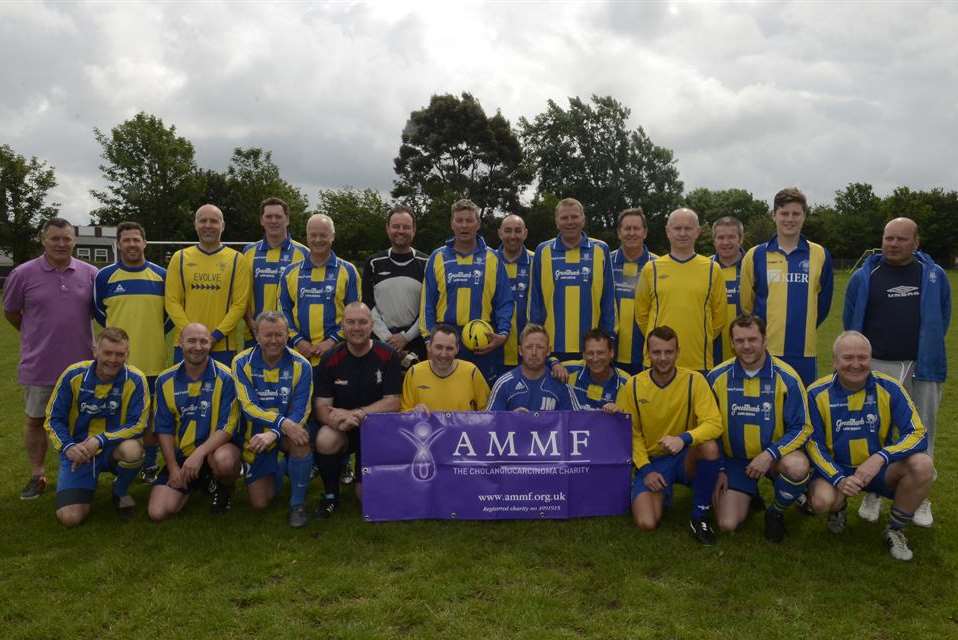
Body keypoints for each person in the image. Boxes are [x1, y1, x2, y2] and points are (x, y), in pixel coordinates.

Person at [843, 217, 949, 527]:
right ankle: (873, 491)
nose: (893, 244)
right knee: (874, 428)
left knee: (922, 429)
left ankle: (921, 495)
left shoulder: (934, 275)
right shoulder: (865, 276)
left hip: (922, 366)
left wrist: (925, 350)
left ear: (916, 243)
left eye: (901, 239)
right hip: (876, 365)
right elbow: (850, 318)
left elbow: (943, 317)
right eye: (888, 238)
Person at [805, 331, 933, 561]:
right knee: (821, 501)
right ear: (834, 361)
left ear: (870, 359)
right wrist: (838, 478)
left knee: (923, 465)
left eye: (862, 357)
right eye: (848, 358)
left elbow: (918, 433)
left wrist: (881, 457)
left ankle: (895, 529)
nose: (856, 364)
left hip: (880, 470)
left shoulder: (890, 388)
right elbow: (813, 445)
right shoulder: (816, 393)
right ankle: (838, 508)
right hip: (838, 469)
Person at [4, 217, 98, 500]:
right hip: (40, 364)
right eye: (55, 238)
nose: (61, 243)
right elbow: (11, 312)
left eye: (66, 238)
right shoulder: (22, 274)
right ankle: (37, 475)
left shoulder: (91, 273)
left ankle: (79, 473)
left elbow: (101, 311)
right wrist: (35, 335)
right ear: (43, 240)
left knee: (82, 421)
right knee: (36, 420)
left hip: (82, 366)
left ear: (74, 241)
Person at [707, 315, 812, 542]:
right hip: (735, 460)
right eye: (740, 340)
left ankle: (775, 512)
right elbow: (708, 428)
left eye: (752, 339)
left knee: (797, 467)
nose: (746, 346)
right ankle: (749, 491)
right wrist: (720, 468)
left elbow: (803, 427)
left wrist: (770, 454)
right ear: (732, 344)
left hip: (774, 457)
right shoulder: (716, 378)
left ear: (765, 340)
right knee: (726, 524)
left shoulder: (787, 377)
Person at [616, 326, 723, 544]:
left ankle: (700, 516)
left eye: (669, 352)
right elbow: (630, 433)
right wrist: (645, 470)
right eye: (657, 352)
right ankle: (661, 492)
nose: (663, 358)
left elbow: (714, 423)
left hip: (686, 456)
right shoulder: (633, 386)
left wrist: (683, 438)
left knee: (709, 447)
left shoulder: (695, 381)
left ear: (677, 352)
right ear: (648, 354)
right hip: (654, 462)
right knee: (647, 523)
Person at [44, 328, 148, 526]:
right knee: (70, 518)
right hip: (79, 451)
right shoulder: (73, 375)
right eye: (107, 353)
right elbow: (53, 418)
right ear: (95, 351)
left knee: (133, 450)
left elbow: (138, 423)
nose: (113, 359)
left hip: (113, 448)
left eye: (120, 354)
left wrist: (100, 440)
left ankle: (120, 490)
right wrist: (68, 447)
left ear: (127, 354)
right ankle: (83, 485)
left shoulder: (135, 379)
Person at [93, 221, 171, 483]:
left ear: (144, 243)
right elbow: (100, 313)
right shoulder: (105, 276)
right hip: (116, 363)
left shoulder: (162, 275)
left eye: (136, 240)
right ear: (118, 244)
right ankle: (122, 463)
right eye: (126, 240)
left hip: (153, 359)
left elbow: (169, 316)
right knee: (118, 414)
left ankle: (149, 464)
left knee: (151, 418)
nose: (131, 244)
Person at [314, 302, 402, 517]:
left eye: (362, 322)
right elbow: (321, 407)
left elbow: (393, 402)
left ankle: (361, 478)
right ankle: (331, 496)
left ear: (371, 326)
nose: (356, 328)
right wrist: (338, 421)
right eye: (351, 322)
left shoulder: (388, 355)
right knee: (325, 439)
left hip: (376, 429)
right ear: (342, 326)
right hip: (344, 427)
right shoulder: (329, 359)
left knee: (366, 497)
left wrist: (360, 413)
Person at [740, 188, 833, 386]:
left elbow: (823, 306)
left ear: (804, 216)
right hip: (764, 350)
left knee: (800, 409)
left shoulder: (820, 254)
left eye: (796, 213)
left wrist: (802, 324)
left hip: (804, 352)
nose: (789, 219)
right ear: (774, 215)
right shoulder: (755, 255)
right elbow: (747, 305)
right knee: (767, 410)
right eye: (784, 213)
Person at [230, 312, 315, 527]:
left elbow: (300, 410)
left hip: (284, 433)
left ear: (287, 335)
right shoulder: (241, 362)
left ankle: (297, 504)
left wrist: (276, 432)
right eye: (268, 335)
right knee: (260, 503)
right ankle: (283, 468)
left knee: (301, 439)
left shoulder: (302, 365)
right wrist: (281, 424)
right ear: (257, 336)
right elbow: (248, 407)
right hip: (255, 438)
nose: (274, 341)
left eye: (279, 335)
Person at [147, 323, 240, 521]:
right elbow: (163, 428)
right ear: (180, 343)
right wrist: (173, 468)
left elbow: (228, 427)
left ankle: (224, 487)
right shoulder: (165, 380)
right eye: (191, 341)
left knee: (225, 461)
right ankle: (200, 482)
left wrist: (199, 454)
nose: (197, 347)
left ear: (210, 344)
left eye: (203, 341)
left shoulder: (226, 377)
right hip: (182, 456)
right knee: (158, 512)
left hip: (214, 451)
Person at [419, 198, 513, 382]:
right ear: (452, 224)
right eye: (459, 220)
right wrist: (428, 339)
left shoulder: (493, 258)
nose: (464, 225)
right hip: (445, 339)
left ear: (477, 224)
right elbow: (426, 303)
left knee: (481, 399)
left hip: (482, 339)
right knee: (445, 396)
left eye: (469, 221)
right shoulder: (437, 257)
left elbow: (504, 301)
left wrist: (502, 334)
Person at [634, 208, 725, 372]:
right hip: (657, 361)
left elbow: (719, 318)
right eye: (677, 228)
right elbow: (641, 315)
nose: (683, 233)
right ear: (668, 232)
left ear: (697, 232)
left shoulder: (713, 269)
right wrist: (659, 343)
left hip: (698, 361)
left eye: (688, 228)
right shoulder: (651, 268)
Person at [529, 197, 616, 361]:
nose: (570, 222)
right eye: (564, 218)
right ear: (556, 222)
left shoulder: (600, 250)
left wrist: (608, 339)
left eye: (574, 217)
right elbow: (535, 302)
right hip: (552, 346)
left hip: (593, 348)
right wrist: (536, 340)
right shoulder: (543, 251)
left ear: (583, 219)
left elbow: (608, 300)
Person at [165, 204, 252, 366]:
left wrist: (215, 336)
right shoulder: (180, 257)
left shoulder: (237, 259)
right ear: (195, 225)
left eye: (214, 221)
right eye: (203, 221)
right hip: (185, 344)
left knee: (223, 391)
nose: (208, 225)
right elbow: (172, 301)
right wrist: (192, 336)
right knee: (183, 391)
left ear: (222, 225)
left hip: (223, 345)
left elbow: (239, 305)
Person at [279, 213, 361, 366]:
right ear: (307, 237)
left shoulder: (348, 271)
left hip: (338, 353)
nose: (317, 240)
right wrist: (299, 341)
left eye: (323, 235)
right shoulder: (290, 272)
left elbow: (355, 313)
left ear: (333, 236)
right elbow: (283, 311)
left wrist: (332, 341)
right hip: (299, 354)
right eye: (313, 235)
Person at [362, 205, 428, 363]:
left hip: (416, 343)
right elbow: (368, 304)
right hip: (380, 341)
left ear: (414, 230)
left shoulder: (427, 263)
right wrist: (387, 338)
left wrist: (406, 337)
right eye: (396, 226)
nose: (401, 231)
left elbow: (429, 307)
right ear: (387, 228)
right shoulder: (373, 263)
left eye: (406, 227)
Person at [242, 197, 309, 347]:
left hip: (291, 335)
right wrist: (250, 322)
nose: (273, 221)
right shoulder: (248, 252)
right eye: (269, 216)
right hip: (255, 333)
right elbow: (242, 293)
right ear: (261, 220)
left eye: (278, 217)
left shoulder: (304, 253)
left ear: (287, 220)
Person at [487, 324, 581, 412]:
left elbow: (575, 422)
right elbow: (489, 423)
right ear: (520, 350)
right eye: (529, 347)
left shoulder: (560, 384)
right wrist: (511, 419)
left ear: (548, 351)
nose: (534, 352)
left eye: (540, 347)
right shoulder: (504, 384)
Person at [401, 324, 490, 412]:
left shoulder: (471, 372)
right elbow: (402, 415)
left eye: (449, 348)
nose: (443, 354)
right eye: (439, 347)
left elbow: (488, 411)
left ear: (457, 349)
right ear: (429, 347)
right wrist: (413, 412)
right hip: (427, 427)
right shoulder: (414, 373)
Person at [610, 208, 656, 375]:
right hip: (609, 355)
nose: (631, 233)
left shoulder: (658, 265)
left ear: (644, 232)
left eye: (636, 228)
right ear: (619, 233)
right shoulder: (605, 262)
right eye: (627, 228)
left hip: (648, 355)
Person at [495, 214, 534, 373]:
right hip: (493, 350)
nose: (513, 236)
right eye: (508, 231)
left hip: (529, 351)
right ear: (500, 233)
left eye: (518, 231)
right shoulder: (489, 260)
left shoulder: (537, 260)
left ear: (525, 233)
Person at [562, 329, 630, 412]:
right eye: (590, 353)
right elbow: (543, 365)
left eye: (600, 353)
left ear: (611, 353)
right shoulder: (569, 370)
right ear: (583, 355)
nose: (595, 359)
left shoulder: (626, 382)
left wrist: (619, 414)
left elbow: (628, 420)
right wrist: (554, 363)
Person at [710, 216, 745, 365]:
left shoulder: (753, 266)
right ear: (714, 240)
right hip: (710, 351)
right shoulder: (704, 267)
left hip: (746, 349)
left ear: (740, 239)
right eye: (721, 237)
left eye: (731, 237)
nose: (725, 242)